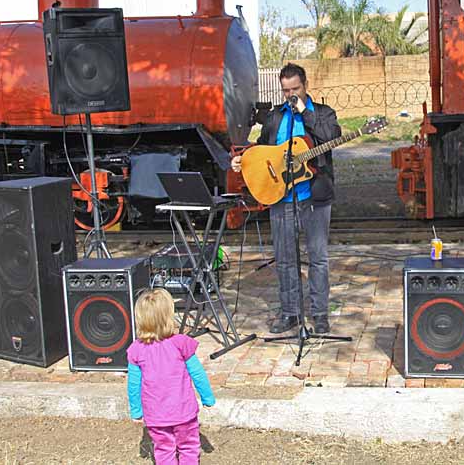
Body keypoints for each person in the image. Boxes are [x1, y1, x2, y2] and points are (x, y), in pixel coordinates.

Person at [231, 62, 342, 335]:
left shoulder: (323, 114)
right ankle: (290, 313)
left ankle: (319, 315)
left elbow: (331, 136)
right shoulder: (274, 117)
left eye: (295, 89)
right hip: (281, 197)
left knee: (318, 259)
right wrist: (243, 160)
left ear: (306, 86)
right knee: (284, 260)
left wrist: (305, 111)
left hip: (314, 198)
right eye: (286, 90)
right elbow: (263, 151)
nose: (290, 94)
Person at [127, 289, 215, 464]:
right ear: (169, 316)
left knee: (163, 449)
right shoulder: (180, 343)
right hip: (184, 412)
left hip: (155, 415)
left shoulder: (136, 349)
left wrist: (136, 411)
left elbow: (133, 385)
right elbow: (198, 374)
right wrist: (208, 398)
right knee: (189, 446)